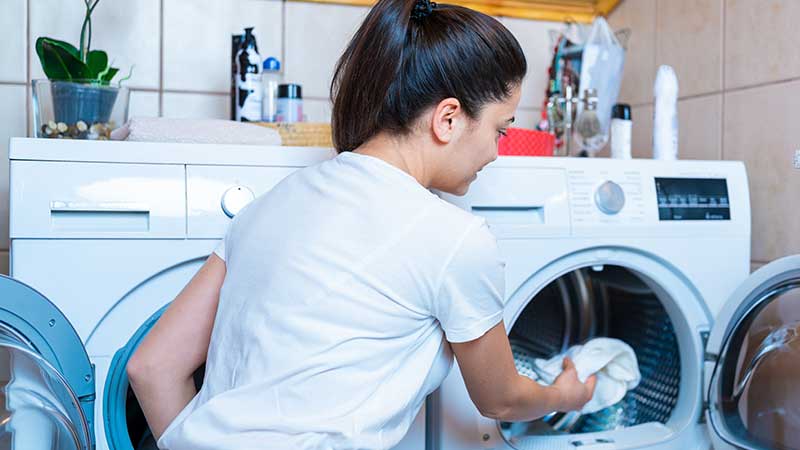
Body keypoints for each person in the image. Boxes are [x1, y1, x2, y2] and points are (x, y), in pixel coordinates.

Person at [127, 0, 596, 448]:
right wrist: (566, 395)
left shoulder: (268, 205)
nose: (496, 152)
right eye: (500, 129)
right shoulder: (454, 240)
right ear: (448, 119)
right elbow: (500, 397)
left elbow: (152, 366)